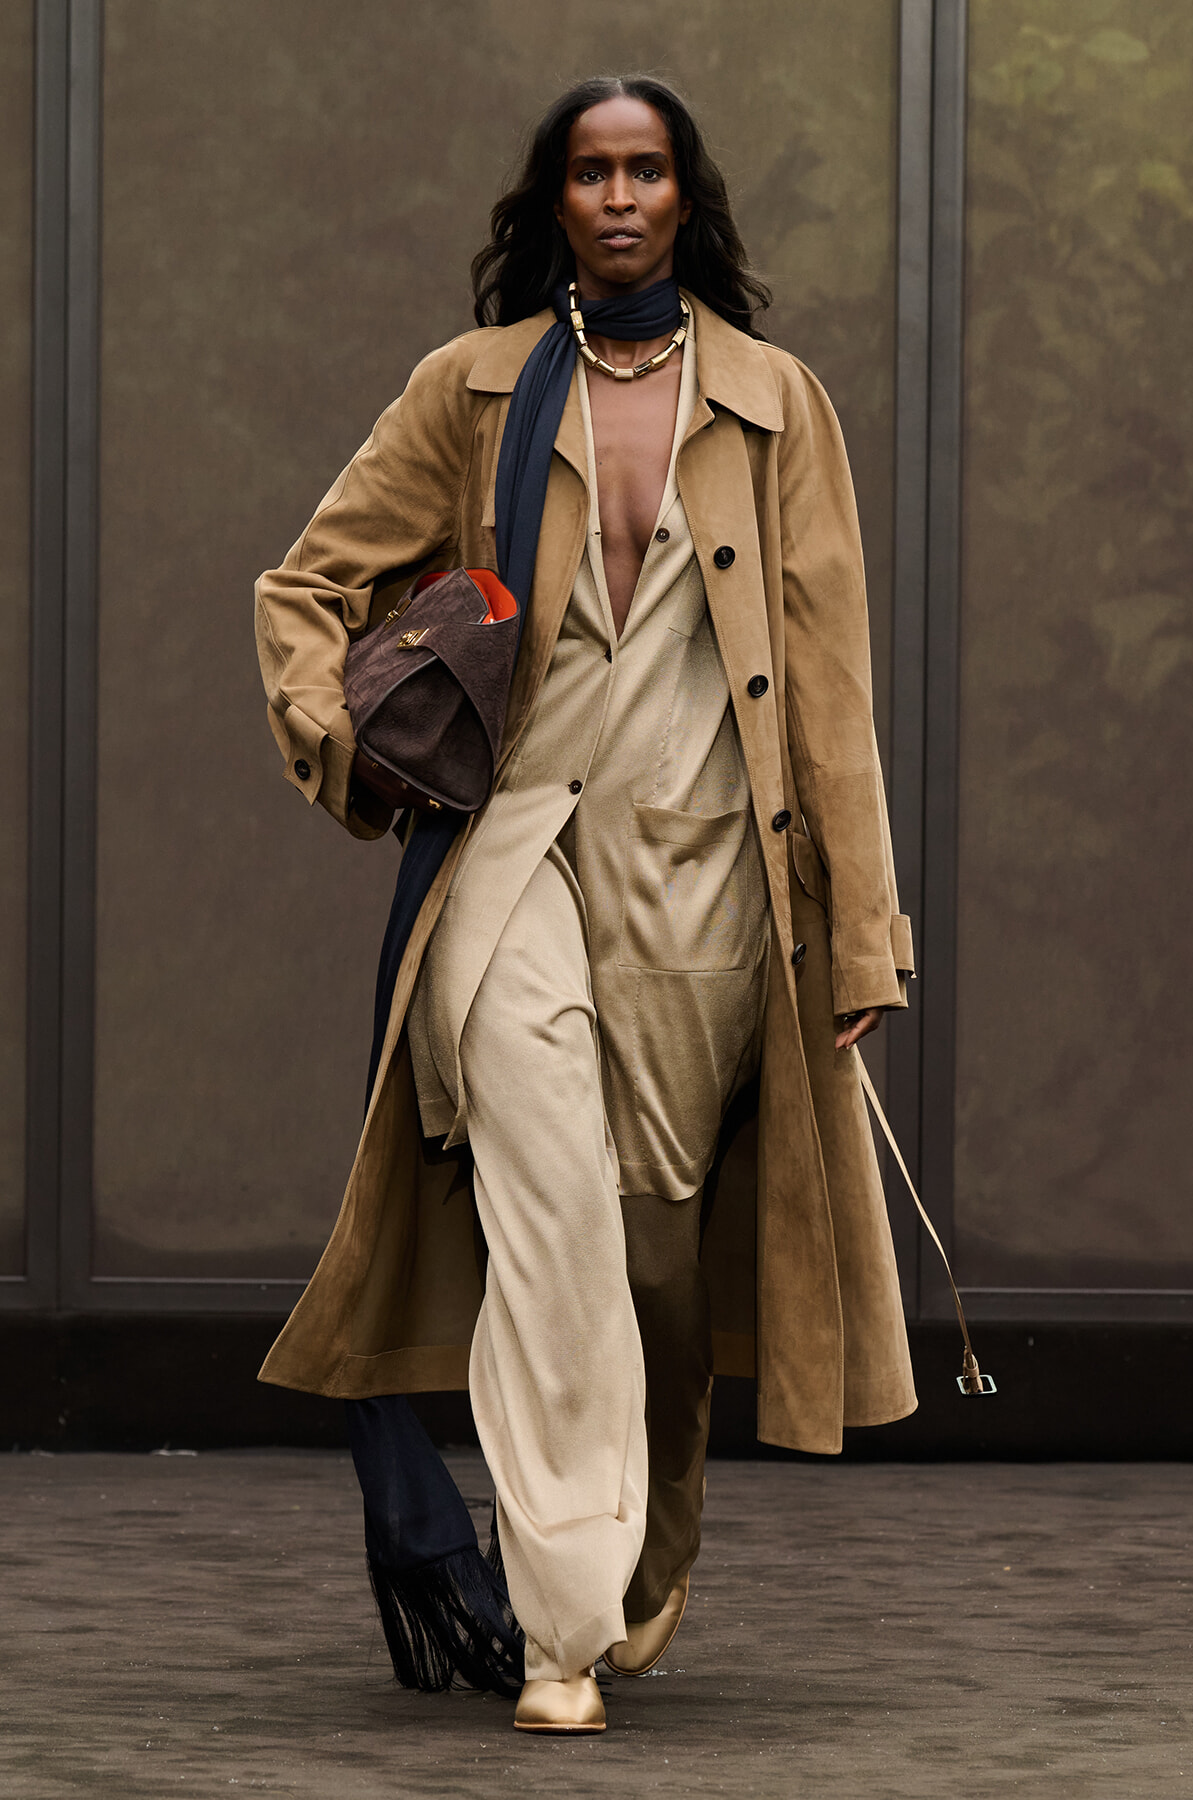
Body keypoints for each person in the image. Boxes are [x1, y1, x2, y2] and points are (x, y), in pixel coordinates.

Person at [254, 75, 917, 1736]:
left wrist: (862, 934)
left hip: (702, 882)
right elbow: (305, 584)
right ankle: (562, 1628)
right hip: (510, 855)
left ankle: (646, 1541)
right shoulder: (473, 389)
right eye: (589, 170)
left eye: (646, 169)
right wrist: (355, 754)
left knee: (655, 1256)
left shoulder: (775, 403)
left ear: (687, 198)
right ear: (552, 198)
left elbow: (830, 691)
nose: (618, 196)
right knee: (549, 1216)